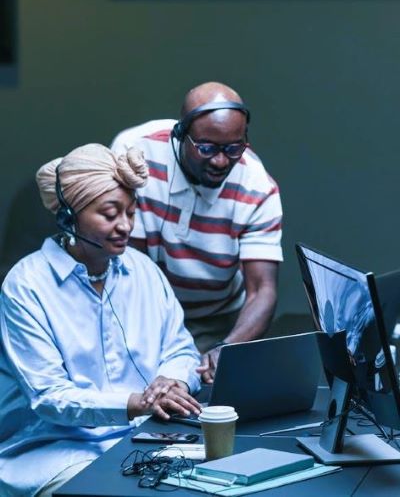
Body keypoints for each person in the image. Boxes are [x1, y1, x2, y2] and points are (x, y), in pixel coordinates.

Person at [0, 143, 201, 497]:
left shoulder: (143, 270)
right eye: (110, 214)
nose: (125, 226)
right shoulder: (26, 285)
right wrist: (134, 402)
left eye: (131, 211)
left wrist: (174, 381)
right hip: (56, 450)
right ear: (68, 217)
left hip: (145, 436)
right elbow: (50, 397)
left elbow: (181, 348)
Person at [111, 81, 283, 383]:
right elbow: (119, 263)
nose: (220, 161)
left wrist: (227, 349)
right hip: (137, 315)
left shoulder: (258, 189)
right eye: (207, 148)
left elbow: (262, 291)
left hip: (215, 324)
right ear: (181, 135)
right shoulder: (135, 152)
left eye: (234, 148)